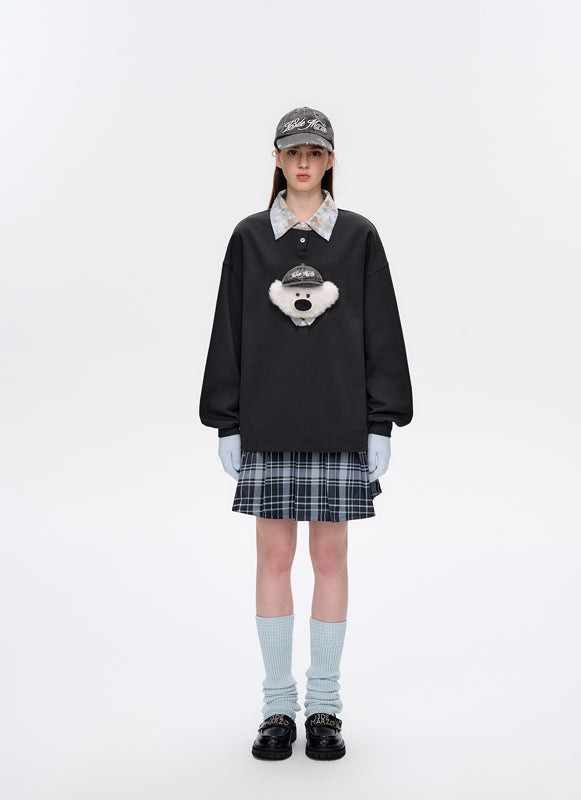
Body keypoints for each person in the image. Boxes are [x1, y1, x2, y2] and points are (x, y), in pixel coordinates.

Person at [199, 106, 413, 761]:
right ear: (276, 158)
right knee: (272, 558)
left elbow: (381, 327)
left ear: (329, 161)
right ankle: (275, 706)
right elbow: (229, 327)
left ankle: (323, 705)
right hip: (267, 421)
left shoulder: (358, 237)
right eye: (292, 152)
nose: (302, 163)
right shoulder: (248, 238)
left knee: (329, 558)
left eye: (314, 153)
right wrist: (227, 420)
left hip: (339, 420)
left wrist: (381, 421)